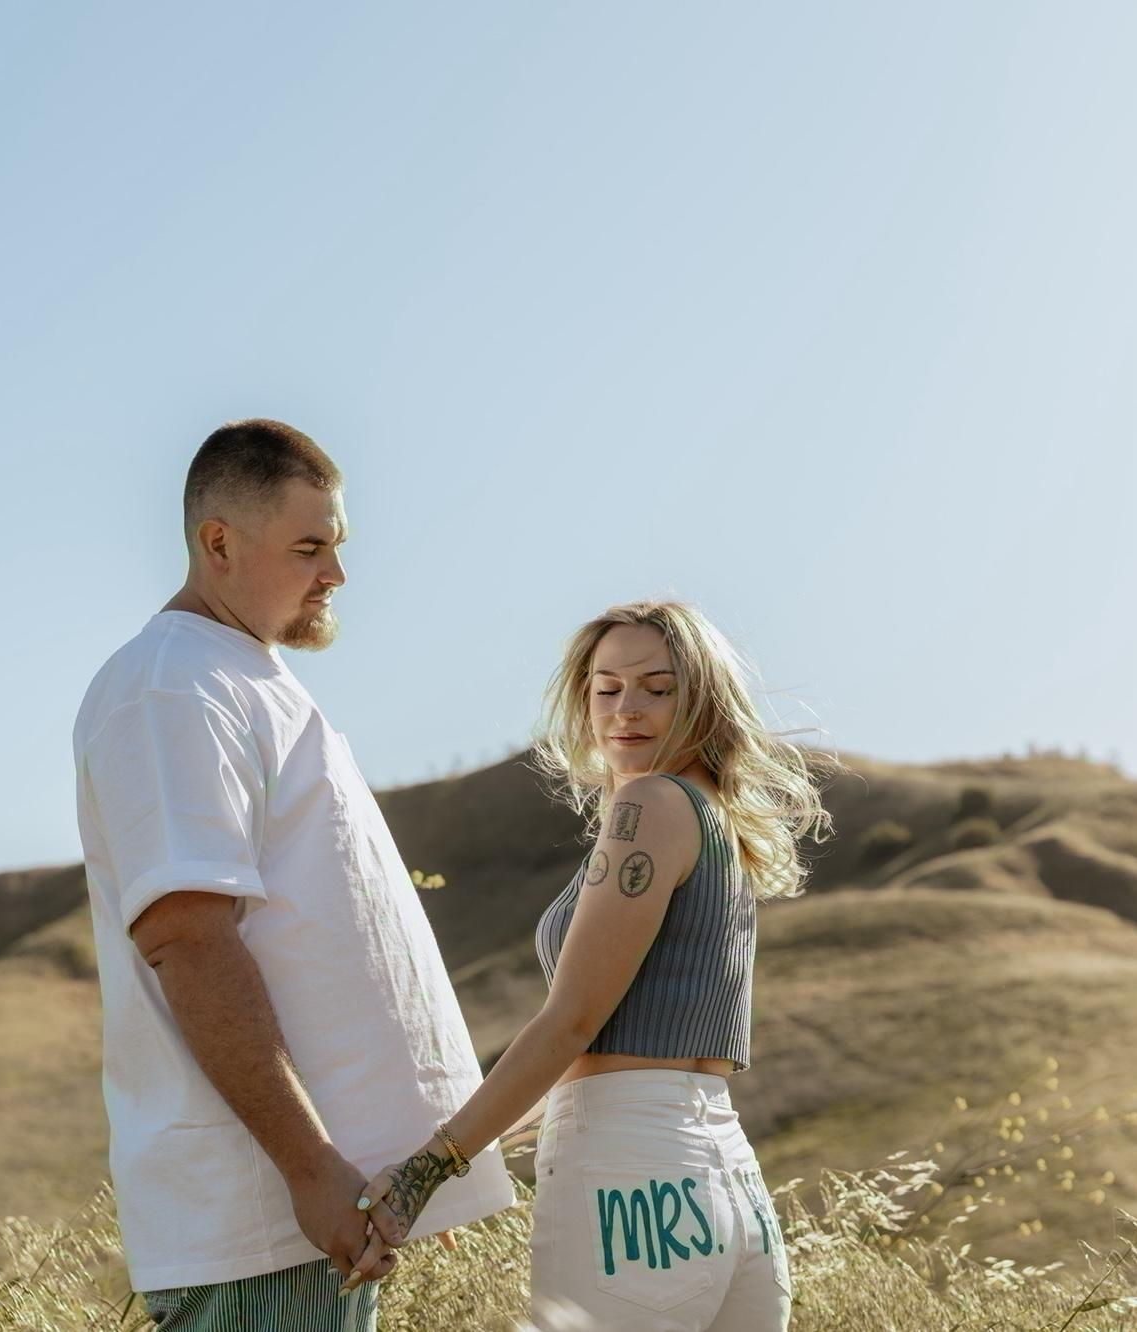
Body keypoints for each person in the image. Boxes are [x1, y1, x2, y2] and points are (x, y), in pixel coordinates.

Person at [71, 418, 516, 1331]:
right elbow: (188, 940)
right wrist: (311, 1170)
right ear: (219, 544)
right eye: (309, 548)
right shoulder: (173, 686)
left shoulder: (245, 677)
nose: (336, 573)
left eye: (338, 545)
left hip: (317, 1225)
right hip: (263, 1230)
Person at [344, 600, 840, 1330]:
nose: (626, 709)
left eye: (657, 688)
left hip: (632, 1190)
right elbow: (642, 1039)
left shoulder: (651, 804)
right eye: (606, 688)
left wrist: (424, 1173)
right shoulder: (714, 819)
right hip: (730, 1186)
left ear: (703, 700)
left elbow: (572, 1022)